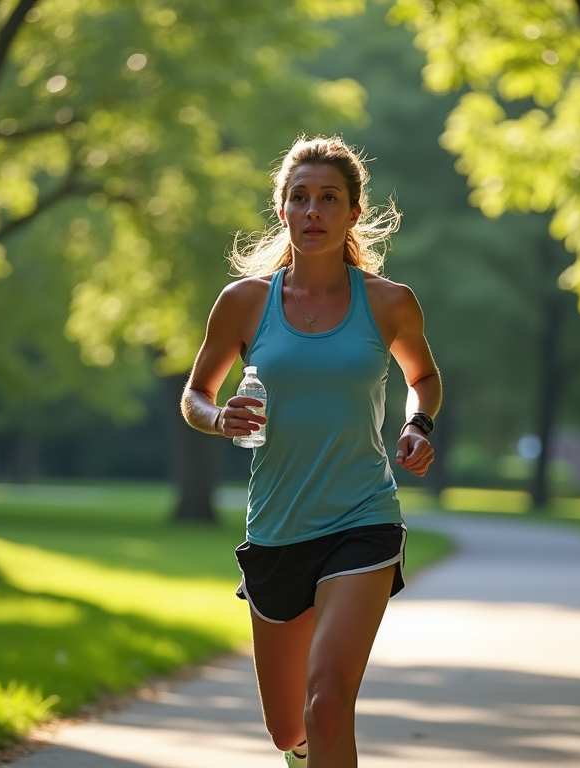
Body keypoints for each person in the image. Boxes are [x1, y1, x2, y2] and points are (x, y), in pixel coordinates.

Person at [180, 135, 441, 768]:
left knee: (328, 702)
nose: (313, 211)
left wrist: (419, 426)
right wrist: (218, 419)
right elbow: (195, 394)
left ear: (353, 213)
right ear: (282, 211)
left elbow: (423, 379)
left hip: (363, 518)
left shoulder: (388, 302)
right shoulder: (245, 304)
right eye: (300, 198)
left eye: (329, 198)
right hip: (276, 528)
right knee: (287, 727)